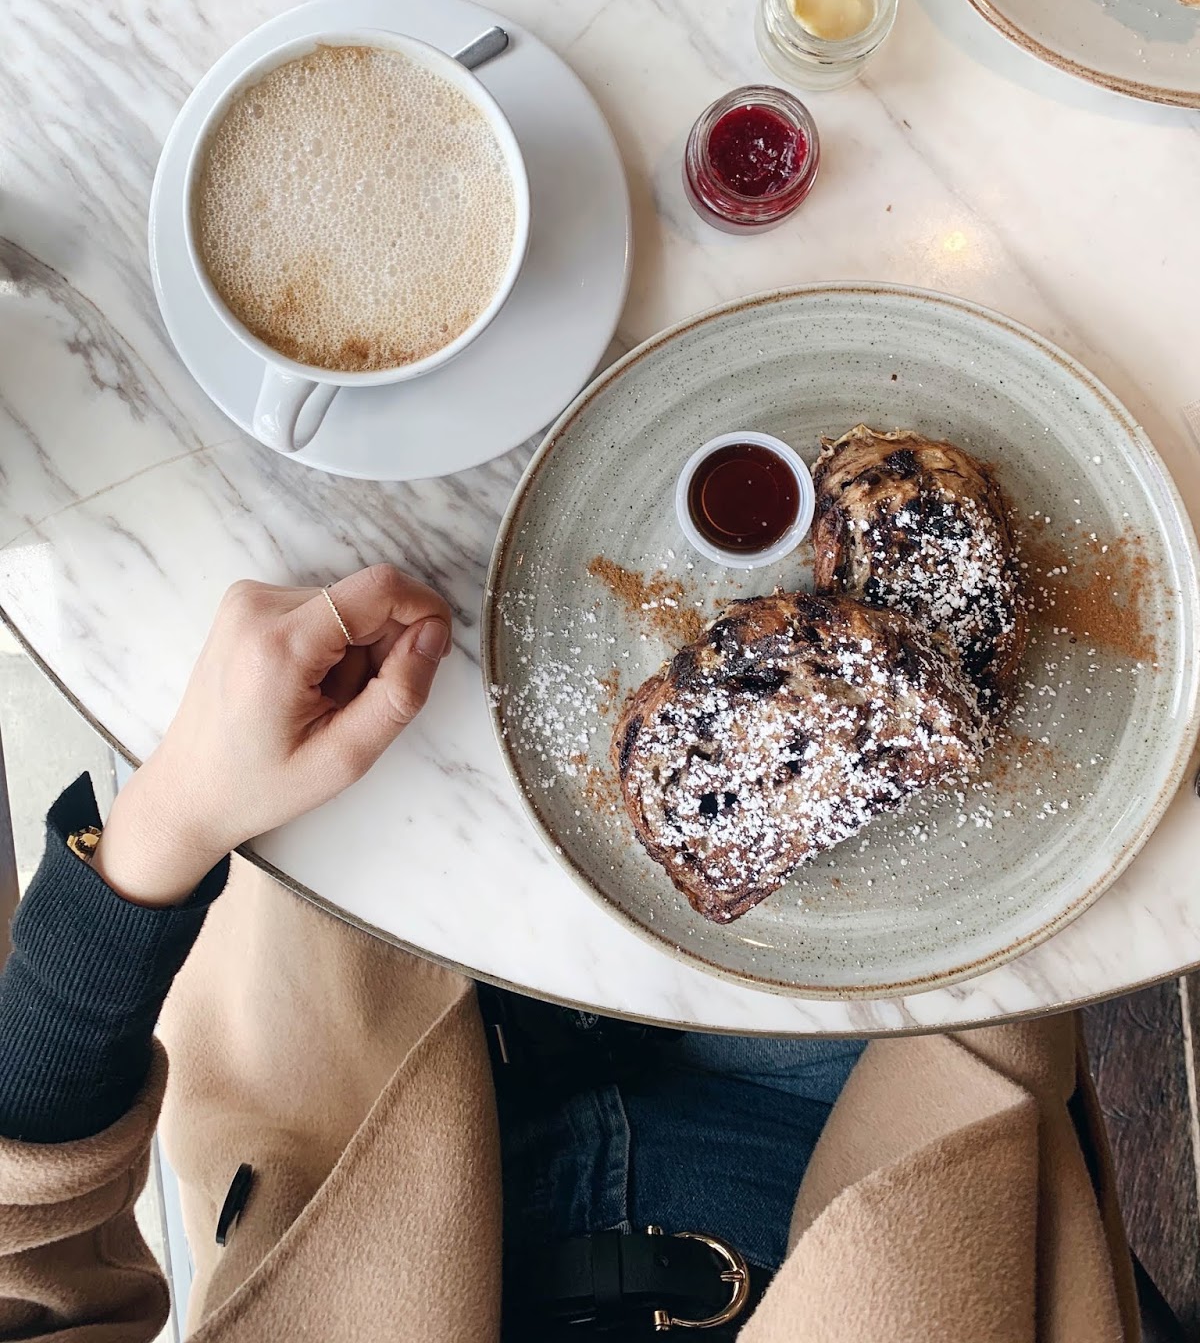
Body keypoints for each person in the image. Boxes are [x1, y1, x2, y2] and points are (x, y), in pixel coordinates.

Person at [0, 565, 1138, 1342]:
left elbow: (18, 1262)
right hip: (861, 1120)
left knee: (396, 564)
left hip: (370, 1068)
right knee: (955, 657)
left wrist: (162, 831)